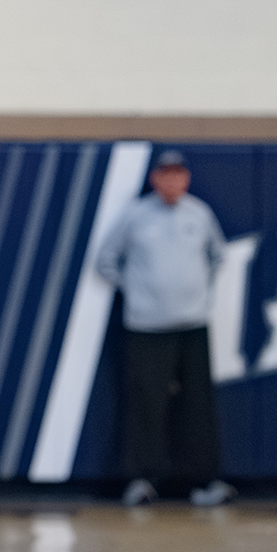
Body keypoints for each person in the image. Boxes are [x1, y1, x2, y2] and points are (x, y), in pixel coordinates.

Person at [92, 150, 234, 508]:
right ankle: (142, 479)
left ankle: (202, 481)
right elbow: (106, 260)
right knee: (146, 404)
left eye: (178, 174)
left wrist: (197, 295)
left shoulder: (199, 214)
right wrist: (139, 292)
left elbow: (218, 256)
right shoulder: (136, 216)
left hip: (192, 325)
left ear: (186, 179)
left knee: (197, 405)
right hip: (146, 327)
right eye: (165, 174)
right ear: (155, 179)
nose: (172, 181)